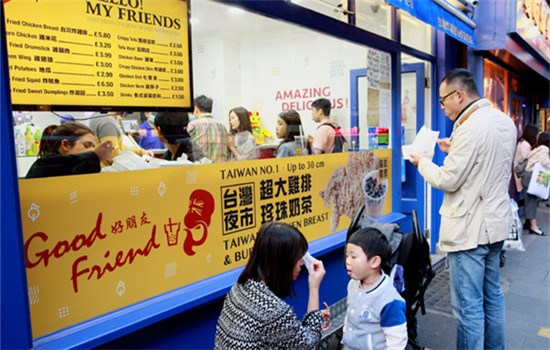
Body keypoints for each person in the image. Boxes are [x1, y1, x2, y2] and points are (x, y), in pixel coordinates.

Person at [409, 68, 516, 349]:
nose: (442, 107)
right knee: (492, 296)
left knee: (468, 308)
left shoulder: (469, 128)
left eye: (444, 100)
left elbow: (448, 179)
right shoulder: (504, 122)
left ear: (459, 95)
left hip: (469, 229)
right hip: (495, 225)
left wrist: (422, 162)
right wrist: (452, 147)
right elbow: (485, 163)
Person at [214, 221, 327, 349]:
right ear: (282, 261)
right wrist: (314, 287)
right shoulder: (273, 311)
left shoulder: (239, 287)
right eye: (297, 257)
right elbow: (309, 345)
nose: (302, 263)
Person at [343, 227, 407, 350]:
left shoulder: (388, 300)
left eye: (353, 257)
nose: (348, 262)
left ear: (374, 261)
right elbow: (350, 317)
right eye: (347, 255)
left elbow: (397, 341)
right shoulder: (353, 284)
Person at [26, 122, 113, 178]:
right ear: (65, 145)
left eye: (93, 146)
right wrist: (95, 156)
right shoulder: (45, 164)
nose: (91, 150)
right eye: (87, 145)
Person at [522, 131, 550, 236]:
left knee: (529, 201)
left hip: (528, 176)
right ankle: (533, 227)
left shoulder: (537, 148)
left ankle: (529, 224)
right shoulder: (544, 149)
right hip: (532, 177)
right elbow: (544, 161)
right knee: (532, 202)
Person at [187, 95, 228, 163]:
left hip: (203, 169)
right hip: (221, 169)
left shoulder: (193, 124)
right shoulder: (222, 126)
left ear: (196, 109)